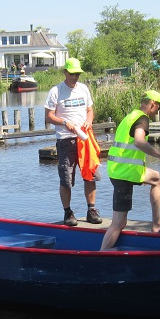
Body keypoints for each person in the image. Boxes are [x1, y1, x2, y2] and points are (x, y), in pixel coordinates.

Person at [100, 90, 160, 251]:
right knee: (119, 223)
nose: (158, 111)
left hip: (121, 169)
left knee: (156, 179)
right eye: (158, 108)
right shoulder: (143, 119)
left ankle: (157, 224)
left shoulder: (130, 116)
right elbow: (139, 142)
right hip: (124, 173)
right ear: (152, 104)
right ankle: (102, 254)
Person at [44, 58, 102, 226]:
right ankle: (68, 212)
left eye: (77, 74)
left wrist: (89, 121)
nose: (74, 77)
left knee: (90, 174)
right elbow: (48, 116)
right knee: (66, 178)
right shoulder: (56, 91)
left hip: (85, 138)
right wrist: (64, 122)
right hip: (65, 139)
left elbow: (89, 110)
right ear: (65, 73)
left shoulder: (83, 89)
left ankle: (91, 210)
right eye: (72, 74)